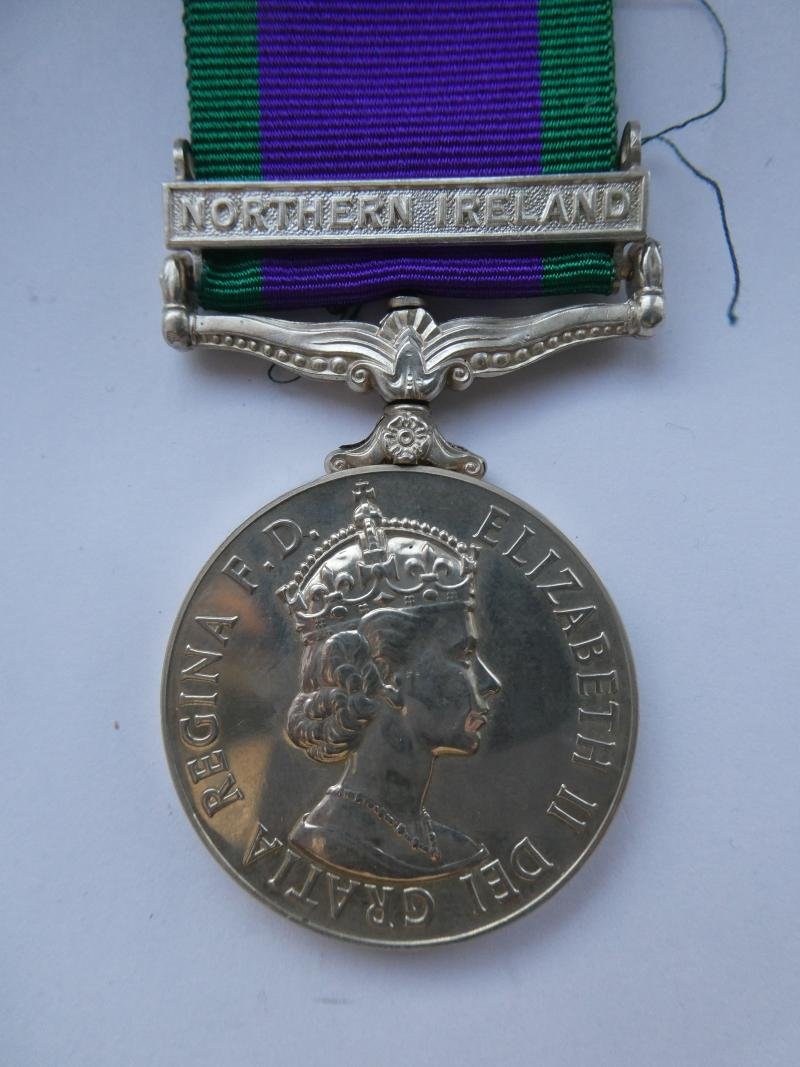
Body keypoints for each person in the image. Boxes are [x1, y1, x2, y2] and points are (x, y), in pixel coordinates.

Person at [278, 482, 501, 881]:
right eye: (463, 656)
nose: (489, 682)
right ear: (388, 676)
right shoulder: (330, 841)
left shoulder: (455, 848)